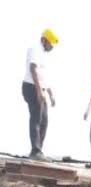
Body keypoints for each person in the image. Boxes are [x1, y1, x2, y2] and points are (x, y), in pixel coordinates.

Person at [22, 29, 57, 160]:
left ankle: (38, 150)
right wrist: (38, 91)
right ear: (44, 40)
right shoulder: (36, 48)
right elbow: (32, 69)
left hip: (39, 88)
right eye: (51, 43)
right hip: (31, 87)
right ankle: (35, 151)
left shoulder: (43, 53)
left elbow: (43, 76)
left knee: (44, 120)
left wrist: (50, 93)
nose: (52, 46)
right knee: (36, 118)